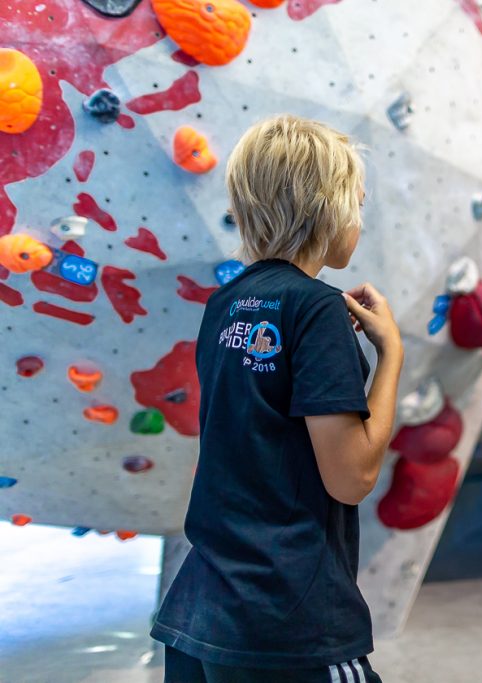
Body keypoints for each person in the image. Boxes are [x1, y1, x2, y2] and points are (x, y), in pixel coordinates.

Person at [152, 115, 404, 683]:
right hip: (287, 616)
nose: (359, 220)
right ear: (330, 207)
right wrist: (391, 358)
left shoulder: (225, 305)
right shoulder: (317, 309)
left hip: (203, 607)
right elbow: (352, 477)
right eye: (357, 204)